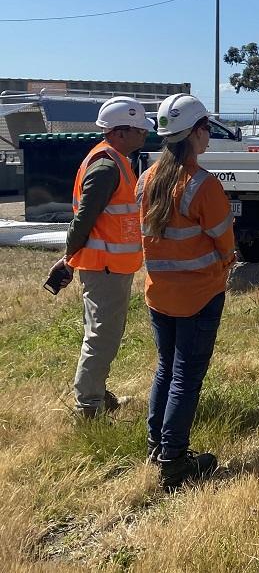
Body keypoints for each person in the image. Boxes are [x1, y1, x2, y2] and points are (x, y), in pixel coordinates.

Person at [138, 94, 236, 490]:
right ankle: (174, 461)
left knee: (166, 370)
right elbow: (225, 244)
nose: (209, 136)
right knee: (185, 377)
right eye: (207, 129)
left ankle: (156, 446)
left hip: (159, 295)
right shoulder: (202, 185)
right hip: (199, 296)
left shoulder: (147, 179)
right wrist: (225, 264)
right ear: (195, 133)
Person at [48, 97, 153, 418]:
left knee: (101, 332)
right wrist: (68, 257)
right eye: (139, 130)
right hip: (105, 267)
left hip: (109, 266)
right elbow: (83, 219)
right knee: (102, 336)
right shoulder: (107, 165)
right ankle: (88, 407)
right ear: (120, 132)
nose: (144, 136)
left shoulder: (113, 160)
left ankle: (95, 392)